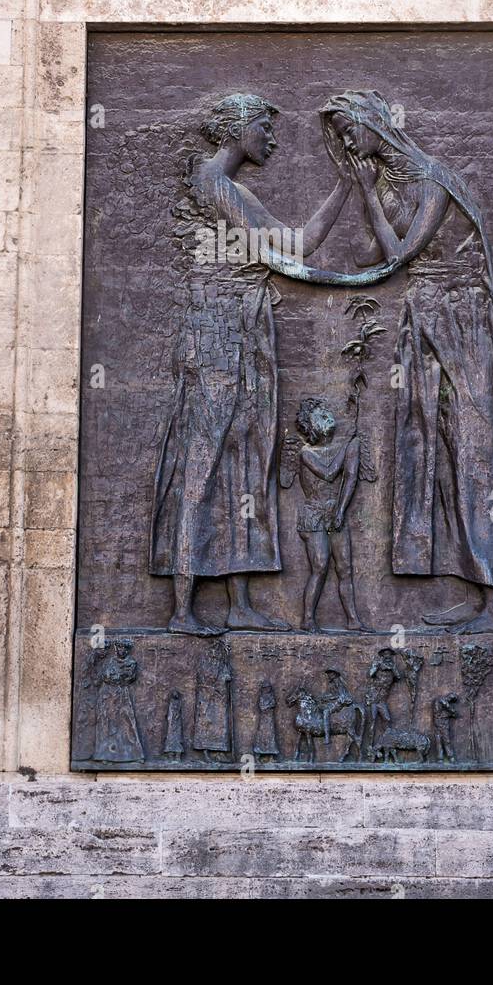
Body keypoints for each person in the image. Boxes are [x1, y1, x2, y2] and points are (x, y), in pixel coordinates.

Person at [319, 89, 493, 634]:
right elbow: (370, 253)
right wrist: (363, 197)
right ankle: (473, 587)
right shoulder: (390, 186)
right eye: (340, 136)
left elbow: (397, 255)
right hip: (425, 316)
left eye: (350, 130)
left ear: (373, 124)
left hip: (459, 320)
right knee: (433, 449)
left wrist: (370, 198)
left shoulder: (433, 179)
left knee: (476, 447)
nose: (347, 143)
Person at [150, 93, 353, 635]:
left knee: (244, 460)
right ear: (238, 126)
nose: (273, 138)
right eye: (265, 125)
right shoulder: (216, 186)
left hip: (242, 334)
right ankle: (182, 609)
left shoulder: (233, 190)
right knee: (204, 463)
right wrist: (350, 275)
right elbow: (290, 257)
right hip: (217, 336)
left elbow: (298, 244)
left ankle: (238, 601)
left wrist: (346, 186)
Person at [279, 395, 374, 631]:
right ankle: (308, 619)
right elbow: (329, 473)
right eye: (321, 416)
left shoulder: (344, 447)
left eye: (327, 413)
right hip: (314, 516)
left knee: (345, 568)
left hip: (335, 513)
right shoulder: (306, 453)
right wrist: (347, 444)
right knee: (320, 566)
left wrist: (341, 509)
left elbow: (350, 477)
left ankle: (353, 620)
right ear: (312, 428)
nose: (328, 417)